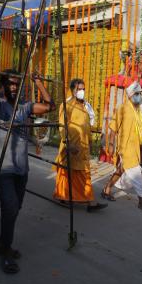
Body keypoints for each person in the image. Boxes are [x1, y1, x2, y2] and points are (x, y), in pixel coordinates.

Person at [0, 68, 54, 274]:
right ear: (4, 86)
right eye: (10, 83)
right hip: (3, 169)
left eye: (16, 83)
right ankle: (6, 253)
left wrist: (39, 82)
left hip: (21, 169)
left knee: (14, 209)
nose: (13, 87)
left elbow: (50, 107)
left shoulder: (26, 108)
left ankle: (1, 245)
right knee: (10, 208)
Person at [53, 79, 107, 212]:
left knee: (82, 174)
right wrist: (68, 144)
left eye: (83, 89)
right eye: (79, 89)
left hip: (83, 148)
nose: (81, 92)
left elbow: (87, 125)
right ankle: (89, 202)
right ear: (72, 90)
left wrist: (89, 141)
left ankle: (73, 197)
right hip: (71, 147)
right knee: (69, 173)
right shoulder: (66, 105)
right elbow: (62, 126)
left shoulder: (85, 106)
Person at [102, 81, 142, 212]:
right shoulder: (123, 108)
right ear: (130, 95)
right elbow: (113, 128)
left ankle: (106, 189)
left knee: (121, 170)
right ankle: (141, 200)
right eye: (137, 94)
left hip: (136, 147)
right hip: (125, 147)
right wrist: (112, 144)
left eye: (140, 94)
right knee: (136, 172)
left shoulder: (139, 110)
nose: (139, 96)